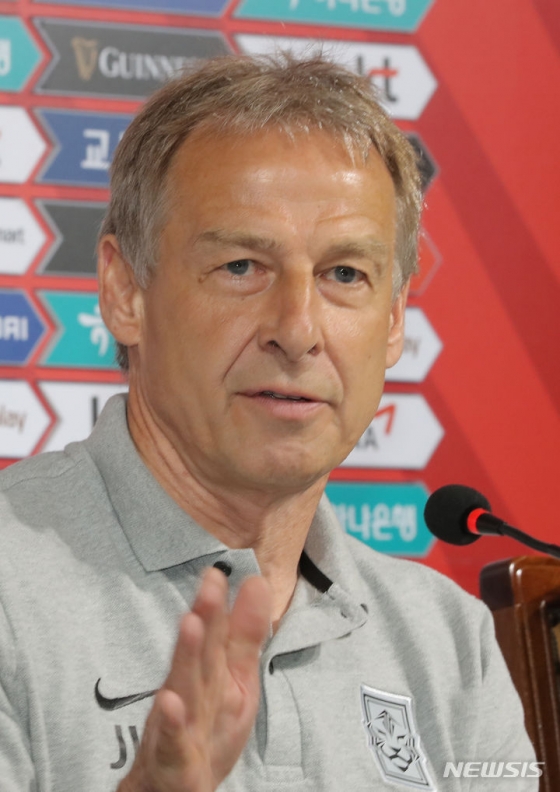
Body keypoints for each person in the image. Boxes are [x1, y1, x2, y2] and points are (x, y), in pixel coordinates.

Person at [0, 54, 537, 792]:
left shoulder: (450, 642)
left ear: (392, 321)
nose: (297, 329)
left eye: (345, 274)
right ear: (125, 292)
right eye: (242, 267)